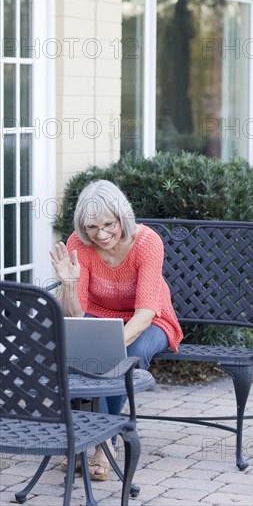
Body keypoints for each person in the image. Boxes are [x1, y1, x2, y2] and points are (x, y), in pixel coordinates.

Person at [50, 179, 183, 480]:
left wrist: (110, 344)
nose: (101, 234)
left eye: (109, 224)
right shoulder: (79, 243)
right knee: (77, 345)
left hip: (149, 320)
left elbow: (146, 312)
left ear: (122, 217)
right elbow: (75, 313)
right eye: (92, 227)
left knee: (131, 352)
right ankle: (89, 435)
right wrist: (68, 284)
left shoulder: (147, 242)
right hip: (97, 315)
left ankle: (100, 442)